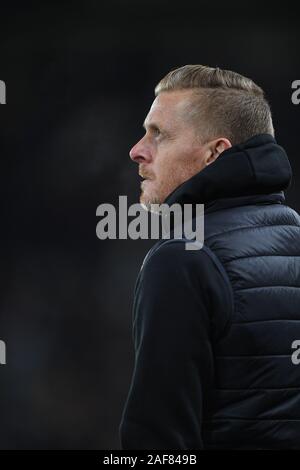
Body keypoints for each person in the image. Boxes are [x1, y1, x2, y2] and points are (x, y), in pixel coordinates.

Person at [119, 65, 300, 449]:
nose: (137, 150)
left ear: (215, 153)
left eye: (158, 135)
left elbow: (159, 444)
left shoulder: (182, 260)